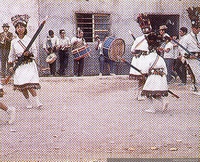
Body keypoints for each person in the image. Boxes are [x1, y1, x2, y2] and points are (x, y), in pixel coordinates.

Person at [8, 14, 43, 109]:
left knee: (29, 84)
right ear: (16, 29)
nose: (20, 29)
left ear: (25, 28)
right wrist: (10, 65)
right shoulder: (14, 42)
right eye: (18, 27)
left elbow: (35, 53)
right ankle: (28, 102)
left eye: (22, 27)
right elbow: (11, 55)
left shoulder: (29, 40)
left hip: (28, 64)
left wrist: (30, 54)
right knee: (22, 86)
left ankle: (37, 101)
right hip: (19, 65)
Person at [129, 13, 157, 101]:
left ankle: (141, 93)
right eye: (144, 28)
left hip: (149, 60)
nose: (146, 30)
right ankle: (140, 94)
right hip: (142, 61)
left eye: (147, 28)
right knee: (142, 79)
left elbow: (154, 50)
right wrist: (138, 53)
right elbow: (132, 50)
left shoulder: (152, 39)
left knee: (146, 79)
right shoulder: (138, 39)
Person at [141, 32, 169, 113]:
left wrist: (143, 72)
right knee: (154, 93)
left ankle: (151, 108)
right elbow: (165, 70)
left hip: (153, 77)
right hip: (161, 77)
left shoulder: (148, 57)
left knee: (147, 92)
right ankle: (163, 101)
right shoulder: (160, 58)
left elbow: (145, 69)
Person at [180, 7, 200, 95]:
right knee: (197, 73)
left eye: (199, 28)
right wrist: (187, 56)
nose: (198, 30)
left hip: (199, 56)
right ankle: (198, 88)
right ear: (192, 28)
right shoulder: (186, 38)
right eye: (196, 28)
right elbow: (182, 48)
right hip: (192, 57)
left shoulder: (199, 35)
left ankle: (195, 86)